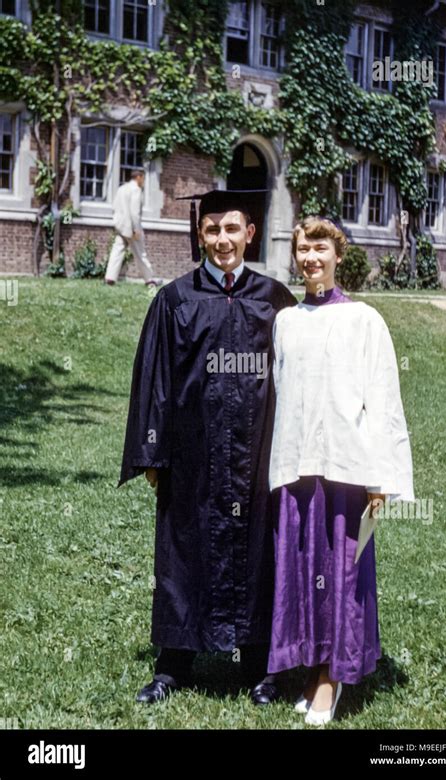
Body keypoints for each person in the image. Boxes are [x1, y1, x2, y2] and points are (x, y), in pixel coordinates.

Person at [119, 189, 297, 705]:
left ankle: (259, 666)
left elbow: (297, 377)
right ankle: (174, 663)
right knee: (183, 551)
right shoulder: (175, 299)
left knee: (259, 552)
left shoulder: (274, 298)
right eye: (213, 230)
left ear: (250, 233)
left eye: (232, 229)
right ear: (201, 235)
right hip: (194, 453)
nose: (223, 240)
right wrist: (153, 452)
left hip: (257, 453)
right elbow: (153, 379)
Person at [267, 216, 414, 726]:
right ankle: (311, 667)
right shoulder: (287, 321)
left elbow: (383, 401)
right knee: (305, 573)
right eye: (304, 249)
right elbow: (282, 397)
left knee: (341, 573)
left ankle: (334, 678)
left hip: (346, 471)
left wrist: (381, 479)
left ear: (338, 254)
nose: (311, 258)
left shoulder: (364, 321)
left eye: (321, 249)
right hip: (298, 467)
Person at [105, 169, 161, 286]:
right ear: (139, 177)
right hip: (131, 228)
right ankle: (149, 279)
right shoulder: (136, 190)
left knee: (117, 251)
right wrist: (136, 229)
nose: (143, 182)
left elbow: (115, 207)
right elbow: (135, 213)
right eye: (143, 179)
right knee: (140, 253)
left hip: (120, 226)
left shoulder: (122, 188)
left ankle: (110, 278)